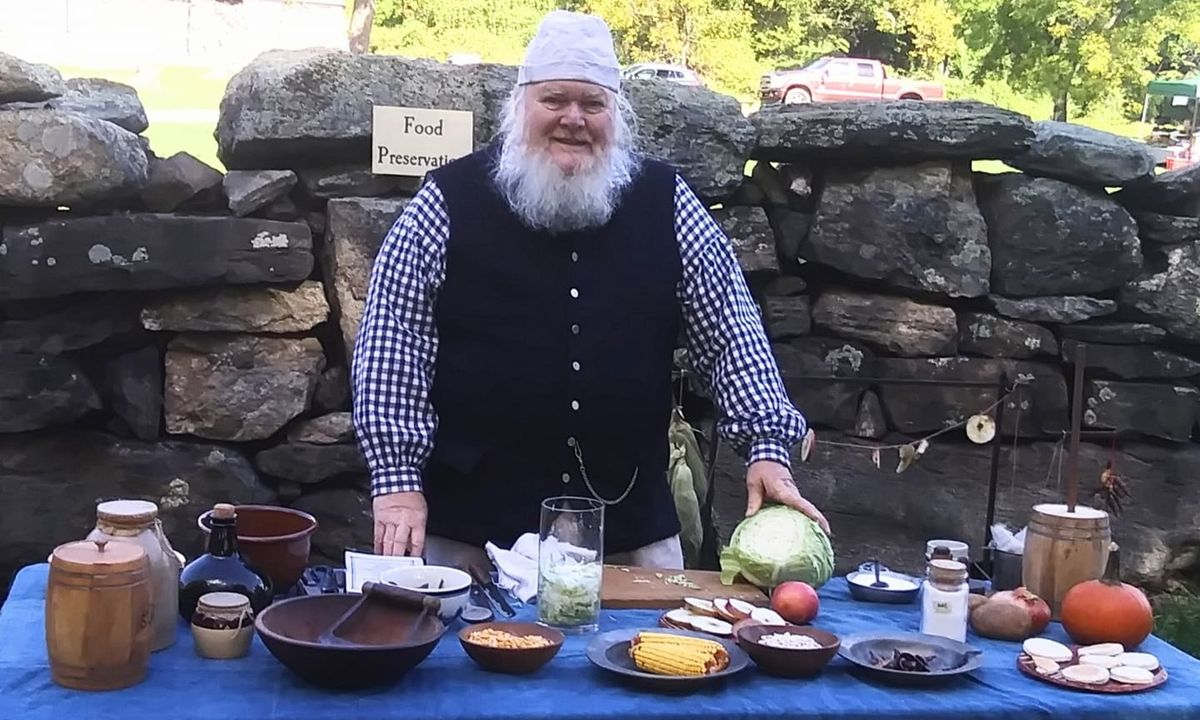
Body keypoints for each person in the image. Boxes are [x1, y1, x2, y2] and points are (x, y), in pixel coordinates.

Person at [351, 9, 828, 572]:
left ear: (615, 114)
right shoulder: (446, 205)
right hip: (470, 539)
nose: (573, 119)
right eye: (554, 100)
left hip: (629, 535)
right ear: (520, 106)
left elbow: (732, 337)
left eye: (592, 104)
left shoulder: (666, 203)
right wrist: (398, 479)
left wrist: (768, 447)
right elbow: (392, 344)